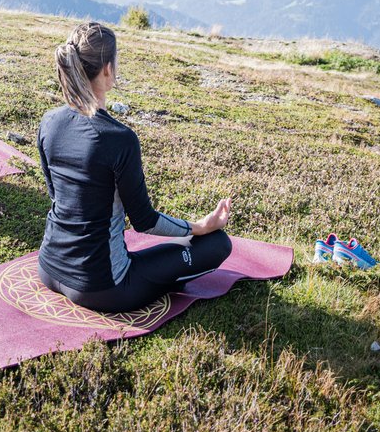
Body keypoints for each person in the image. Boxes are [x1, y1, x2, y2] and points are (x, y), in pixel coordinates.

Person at [36, 22, 233, 312]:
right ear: (107, 68)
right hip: (103, 288)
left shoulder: (49, 122)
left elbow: (57, 197)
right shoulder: (119, 139)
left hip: (49, 267)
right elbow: (145, 221)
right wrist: (201, 226)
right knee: (218, 245)